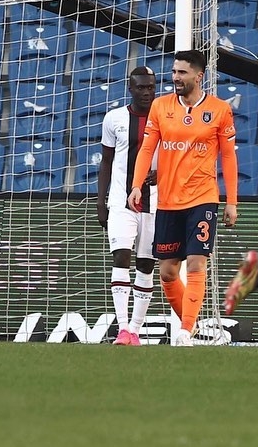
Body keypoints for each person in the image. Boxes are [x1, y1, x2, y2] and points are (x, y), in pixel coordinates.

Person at [127, 50, 238, 347]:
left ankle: (185, 332)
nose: (175, 77)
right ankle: (192, 325)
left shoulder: (219, 110)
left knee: (197, 264)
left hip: (203, 197)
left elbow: (228, 156)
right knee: (167, 272)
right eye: (174, 71)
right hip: (168, 200)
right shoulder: (161, 107)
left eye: (182, 72)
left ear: (198, 76)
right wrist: (137, 185)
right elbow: (147, 149)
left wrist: (231, 201)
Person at [97, 67, 158, 346]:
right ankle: (122, 328)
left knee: (146, 264)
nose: (146, 92)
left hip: (158, 201)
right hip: (121, 200)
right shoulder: (115, 118)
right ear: (130, 88)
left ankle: (135, 329)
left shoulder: (166, 116)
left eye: (151, 87)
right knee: (121, 257)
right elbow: (106, 161)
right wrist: (101, 200)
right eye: (141, 87)